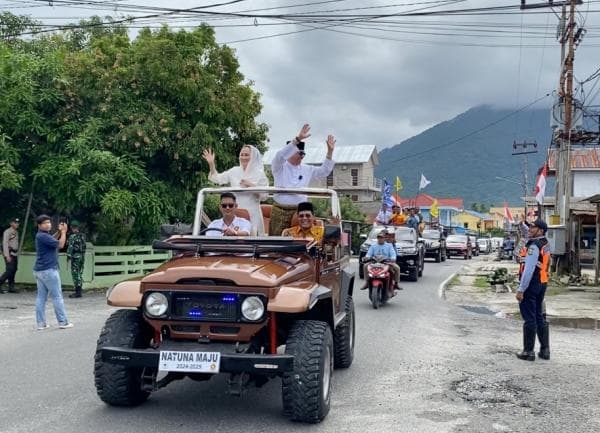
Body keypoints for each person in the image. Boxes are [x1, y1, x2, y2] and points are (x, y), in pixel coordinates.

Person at [270, 124, 335, 237]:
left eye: (303, 154)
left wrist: (329, 152)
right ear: (290, 152)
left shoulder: (307, 169)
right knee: (276, 242)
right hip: (280, 209)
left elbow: (324, 171)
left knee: (301, 242)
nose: (302, 156)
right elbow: (279, 156)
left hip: (299, 212)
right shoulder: (279, 166)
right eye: (299, 153)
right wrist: (297, 139)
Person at [203, 145, 269, 235]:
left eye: (246, 155)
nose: (243, 157)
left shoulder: (260, 174)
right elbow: (217, 179)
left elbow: (265, 196)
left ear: (252, 157)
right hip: (234, 211)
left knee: (253, 241)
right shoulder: (234, 171)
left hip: (253, 214)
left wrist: (250, 185)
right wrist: (211, 164)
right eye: (242, 155)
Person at [515, 218, 550, 361]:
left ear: (540, 230)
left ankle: (528, 352)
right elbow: (526, 232)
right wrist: (521, 224)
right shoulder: (545, 243)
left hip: (531, 284)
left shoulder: (534, 246)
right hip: (542, 282)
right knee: (538, 316)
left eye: (533, 228)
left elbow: (528, 270)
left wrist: (521, 289)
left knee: (529, 318)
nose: (530, 229)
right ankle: (545, 350)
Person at [34, 215, 73, 330]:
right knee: (57, 296)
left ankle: (41, 324)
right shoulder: (42, 236)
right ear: (39, 225)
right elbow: (60, 244)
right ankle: (63, 322)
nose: (48, 224)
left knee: (41, 297)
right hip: (49, 270)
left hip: (40, 271)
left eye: (49, 222)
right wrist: (64, 232)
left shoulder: (42, 236)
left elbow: (53, 239)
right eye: (45, 223)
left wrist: (59, 232)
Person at [66, 220, 86, 298]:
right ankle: (79, 290)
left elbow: (70, 247)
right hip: (81, 256)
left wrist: (68, 256)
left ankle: (78, 292)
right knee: (80, 273)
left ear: (71, 227)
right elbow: (84, 247)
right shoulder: (83, 236)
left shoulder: (72, 236)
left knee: (75, 274)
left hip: (75, 257)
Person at [0, 217, 20, 294]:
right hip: (9, 253)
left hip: (14, 253)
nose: (17, 224)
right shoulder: (7, 232)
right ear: (11, 223)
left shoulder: (16, 232)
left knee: (14, 269)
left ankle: (11, 287)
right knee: (10, 270)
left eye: (18, 223)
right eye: (15, 222)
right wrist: (7, 255)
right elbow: (5, 244)